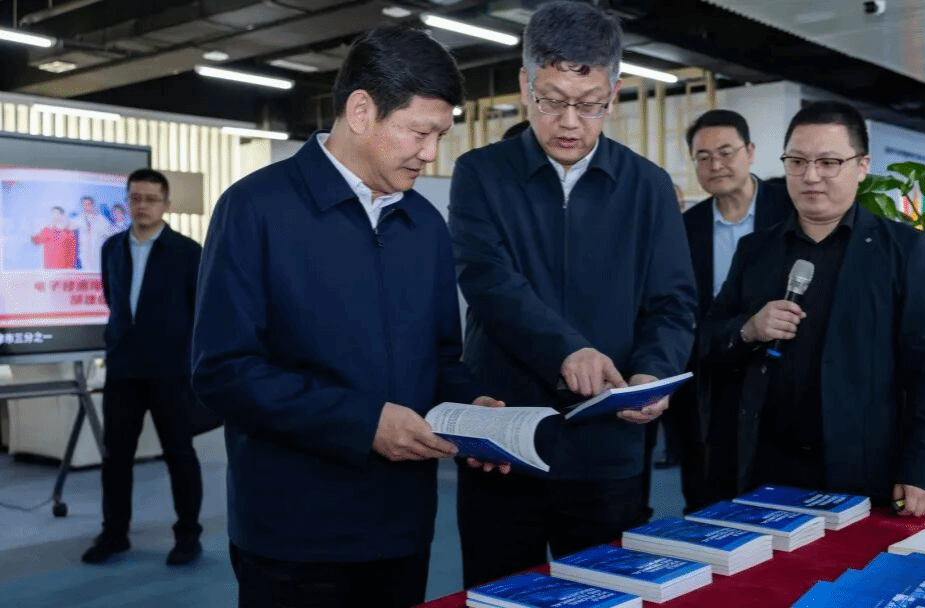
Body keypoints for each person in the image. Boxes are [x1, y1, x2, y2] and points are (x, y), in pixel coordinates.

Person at [191, 25, 502, 608]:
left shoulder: (425, 226)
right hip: (293, 534)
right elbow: (223, 371)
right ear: (361, 111)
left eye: (440, 135)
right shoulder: (255, 209)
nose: (431, 153)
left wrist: (470, 412)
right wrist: (363, 423)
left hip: (401, 527)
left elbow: (440, 359)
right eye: (419, 132)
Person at [449, 1, 697, 588]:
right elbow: (488, 281)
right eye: (551, 100)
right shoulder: (480, 173)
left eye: (589, 105)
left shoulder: (648, 187)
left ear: (614, 91)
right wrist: (567, 351)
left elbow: (672, 303)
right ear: (524, 85)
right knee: (499, 592)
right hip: (503, 442)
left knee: (606, 594)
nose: (569, 122)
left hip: (607, 451)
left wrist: (653, 371)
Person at [699, 101, 925, 516]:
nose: (811, 176)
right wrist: (750, 328)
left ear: (862, 166)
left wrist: (921, 469)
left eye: (828, 162)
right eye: (797, 162)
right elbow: (709, 337)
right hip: (765, 467)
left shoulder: (904, 251)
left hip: (863, 469)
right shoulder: (756, 249)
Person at [673, 109, 794, 513]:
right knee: (709, 498)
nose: (716, 165)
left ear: (750, 152)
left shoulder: (790, 209)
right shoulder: (686, 228)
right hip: (710, 378)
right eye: (703, 157)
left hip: (781, 374)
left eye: (726, 152)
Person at [82, 169, 204, 565]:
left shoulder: (188, 252)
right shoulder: (112, 248)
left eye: (151, 199)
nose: (142, 206)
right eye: (135, 198)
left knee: (179, 454)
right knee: (116, 457)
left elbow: (199, 310)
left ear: (166, 204)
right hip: (123, 369)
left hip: (172, 371)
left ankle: (188, 536)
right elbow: (113, 299)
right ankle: (114, 534)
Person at [74, 195, 112, 271]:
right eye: (84, 205)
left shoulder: (101, 219)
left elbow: (110, 233)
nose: (86, 207)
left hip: (97, 251)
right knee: (86, 272)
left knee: (98, 271)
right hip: (85, 252)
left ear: (93, 205)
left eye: (88, 204)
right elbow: (69, 226)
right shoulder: (79, 219)